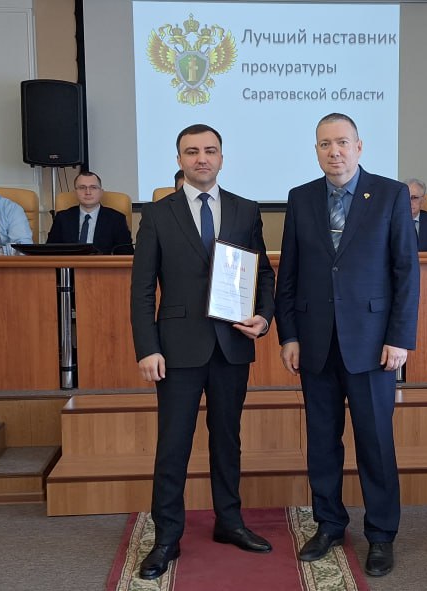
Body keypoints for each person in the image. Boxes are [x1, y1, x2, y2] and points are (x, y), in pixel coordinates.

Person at [129, 124, 276, 580]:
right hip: (176, 350)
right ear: (179, 160)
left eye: (210, 150)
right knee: (173, 445)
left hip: (232, 345)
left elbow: (262, 274)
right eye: (191, 152)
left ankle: (229, 521)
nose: (202, 158)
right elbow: (141, 290)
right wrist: (147, 348)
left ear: (221, 158)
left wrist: (264, 317)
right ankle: (167, 536)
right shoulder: (158, 214)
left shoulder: (245, 209)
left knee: (227, 440)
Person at [275, 113, 419, 578]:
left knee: (375, 442)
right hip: (315, 343)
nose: (333, 151)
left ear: (359, 146)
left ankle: (381, 534)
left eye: (341, 142)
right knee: (322, 442)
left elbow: (406, 271)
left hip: (373, 345)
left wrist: (399, 337)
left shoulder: (390, 194)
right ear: (316, 150)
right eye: (324, 144)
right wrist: (289, 334)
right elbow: (289, 273)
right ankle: (330, 524)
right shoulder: (300, 198)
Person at [45, 171, 133, 253]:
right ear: (75, 192)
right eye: (82, 188)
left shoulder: (116, 219)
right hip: (70, 264)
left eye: (93, 187)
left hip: (103, 264)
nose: (88, 192)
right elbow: (50, 252)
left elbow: (126, 254)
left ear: (101, 192)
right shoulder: (62, 218)